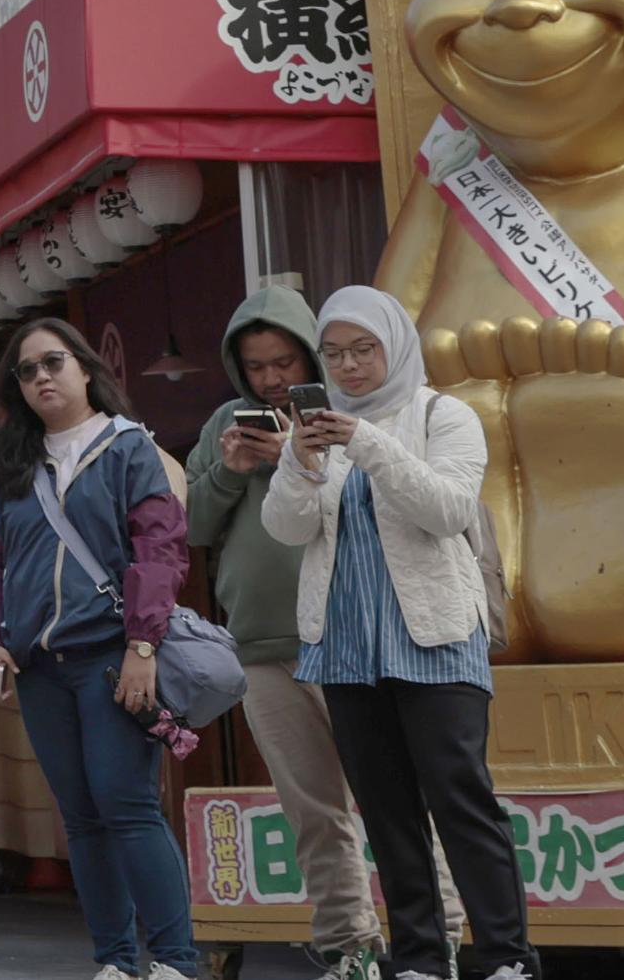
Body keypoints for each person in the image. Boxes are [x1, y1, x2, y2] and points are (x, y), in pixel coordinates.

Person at [265, 287, 530, 980]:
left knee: (460, 797)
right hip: (346, 647)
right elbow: (286, 529)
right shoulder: (318, 430)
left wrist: (367, 442)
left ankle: (505, 957)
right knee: (386, 811)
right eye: (333, 354)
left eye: (363, 350)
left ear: (395, 346)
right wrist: (299, 459)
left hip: (437, 637)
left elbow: (446, 509)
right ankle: (418, 957)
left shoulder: (445, 415)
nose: (349, 367)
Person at [0, 317, 200, 980]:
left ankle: (177, 963)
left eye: (53, 362)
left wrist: (143, 646)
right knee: (81, 818)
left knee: (125, 805)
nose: (41, 376)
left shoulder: (128, 447)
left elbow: (161, 549)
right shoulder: (15, 463)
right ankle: (115, 961)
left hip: (111, 655)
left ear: (86, 369)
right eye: (26, 370)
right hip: (42, 668)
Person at [185, 283, 383, 980]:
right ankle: (349, 946)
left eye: (284, 363)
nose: (272, 378)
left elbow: (376, 508)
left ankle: (436, 936)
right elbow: (191, 529)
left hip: (351, 635)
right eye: (258, 365)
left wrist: (298, 461)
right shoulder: (222, 426)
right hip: (262, 649)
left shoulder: (345, 419)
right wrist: (231, 470)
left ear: (310, 359)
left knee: (390, 799)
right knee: (312, 811)